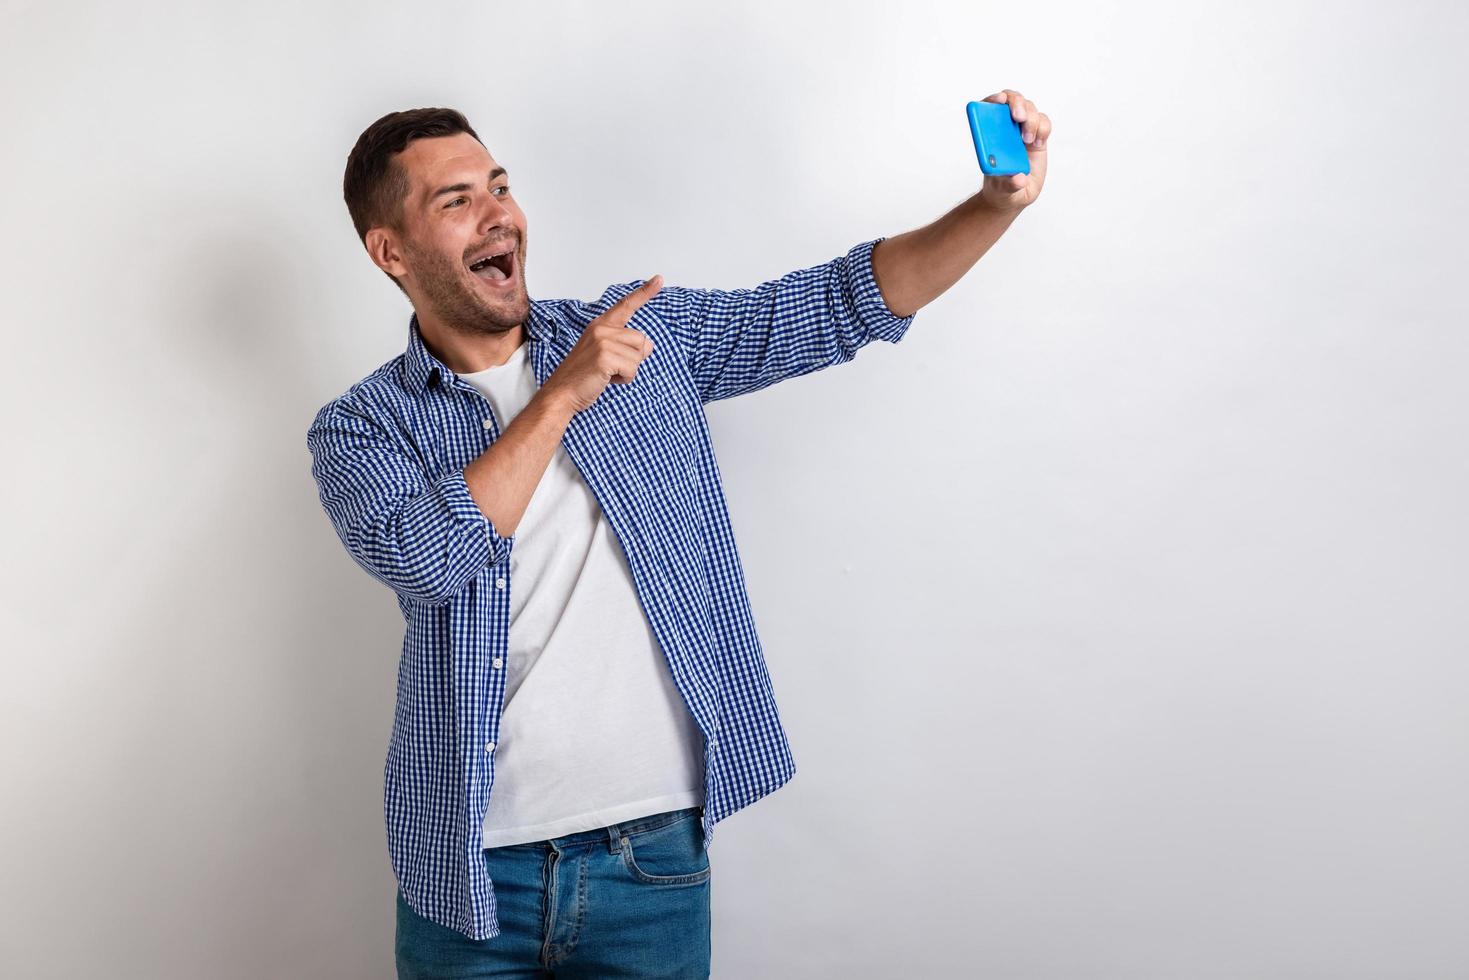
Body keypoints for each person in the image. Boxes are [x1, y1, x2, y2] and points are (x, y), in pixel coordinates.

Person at [306, 93, 1050, 979]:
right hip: (467, 881)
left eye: (499, 186)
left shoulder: (637, 336)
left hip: (647, 866)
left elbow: (836, 305)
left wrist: (993, 205)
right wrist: (558, 399)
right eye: (455, 200)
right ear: (389, 251)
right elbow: (428, 560)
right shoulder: (359, 427)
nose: (498, 212)